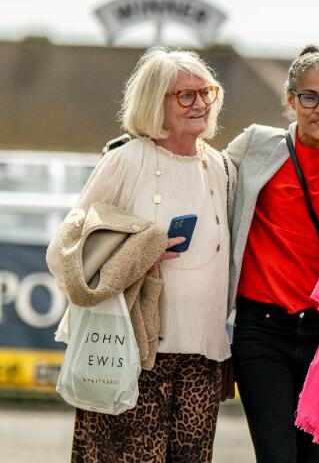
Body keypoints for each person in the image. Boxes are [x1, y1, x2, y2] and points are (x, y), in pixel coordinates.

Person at [60, 47, 233, 462]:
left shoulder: (221, 166)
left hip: (203, 351)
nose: (200, 104)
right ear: (155, 102)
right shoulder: (125, 160)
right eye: (185, 95)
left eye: (205, 92)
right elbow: (68, 246)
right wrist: (138, 252)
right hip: (133, 348)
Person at [226, 45, 319, 463]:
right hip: (263, 331)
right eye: (309, 97)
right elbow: (202, 169)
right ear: (290, 99)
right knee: (277, 456)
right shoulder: (256, 145)